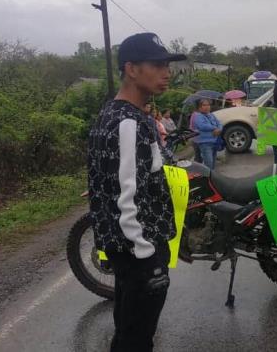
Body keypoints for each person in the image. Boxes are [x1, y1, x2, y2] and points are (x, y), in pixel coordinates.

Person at [88, 32, 186, 351]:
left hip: (129, 252)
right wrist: (148, 258)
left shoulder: (119, 114)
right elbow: (124, 198)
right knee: (136, 338)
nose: (166, 72)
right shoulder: (127, 122)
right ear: (131, 69)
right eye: (157, 65)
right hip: (138, 253)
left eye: (166, 65)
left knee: (130, 332)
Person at [193, 99, 223, 170]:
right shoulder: (198, 116)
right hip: (205, 144)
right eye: (204, 105)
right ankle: (207, 179)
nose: (207, 107)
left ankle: (211, 178)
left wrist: (219, 129)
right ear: (200, 107)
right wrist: (215, 128)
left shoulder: (212, 115)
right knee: (208, 164)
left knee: (213, 164)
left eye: (208, 105)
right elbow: (202, 126)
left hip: (214, 142)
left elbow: (220, 123)